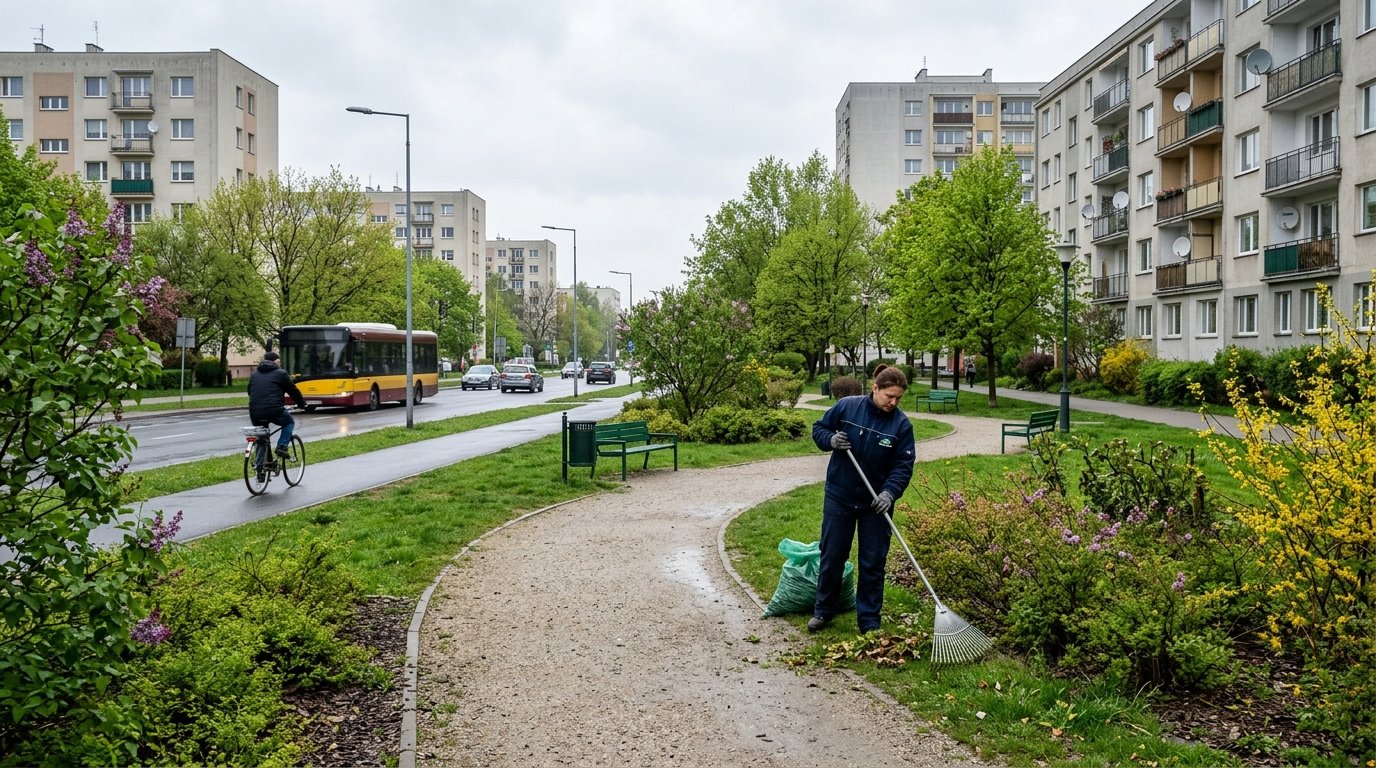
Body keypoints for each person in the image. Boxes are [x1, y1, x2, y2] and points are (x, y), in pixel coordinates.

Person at [808, 365, 916, 634]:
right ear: (875, 388)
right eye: (889, 396)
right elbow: (819, 429)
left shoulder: (901, 425)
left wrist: (889, 493)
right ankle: (823, 611)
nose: (893, 402)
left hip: (876, 504)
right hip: (840, 496)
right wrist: (831, 439)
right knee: (832, 555)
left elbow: (903, 466)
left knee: (872, 562)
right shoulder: (847, 407)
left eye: (898, 398)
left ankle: (868, 620)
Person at [248, 351, 306, 460]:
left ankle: (260, 468)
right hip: (274, 410)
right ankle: (282, 446)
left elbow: (249, 392)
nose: (279, 364)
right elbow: (293, 391)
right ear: (274, 362)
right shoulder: (281, 373)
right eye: (278, 362)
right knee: (289, 422)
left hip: (255, 412)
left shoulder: (254, 373)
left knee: (262, 438)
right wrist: (302, 404)